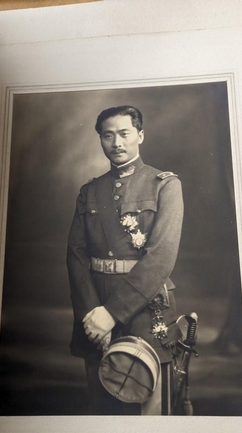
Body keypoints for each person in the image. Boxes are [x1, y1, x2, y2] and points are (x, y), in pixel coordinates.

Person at [66, 105, 184, 415]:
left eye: (124, 134)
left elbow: (161, 258)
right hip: (95, 308)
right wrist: (93, 314)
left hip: (145, 310)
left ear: (140, 136)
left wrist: (111, 314)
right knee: (102, 409)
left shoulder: (164, 185)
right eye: (108, 136)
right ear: (101, 140)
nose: (116, 143)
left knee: (148, 413)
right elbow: (76, 256)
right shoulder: (89, 192)